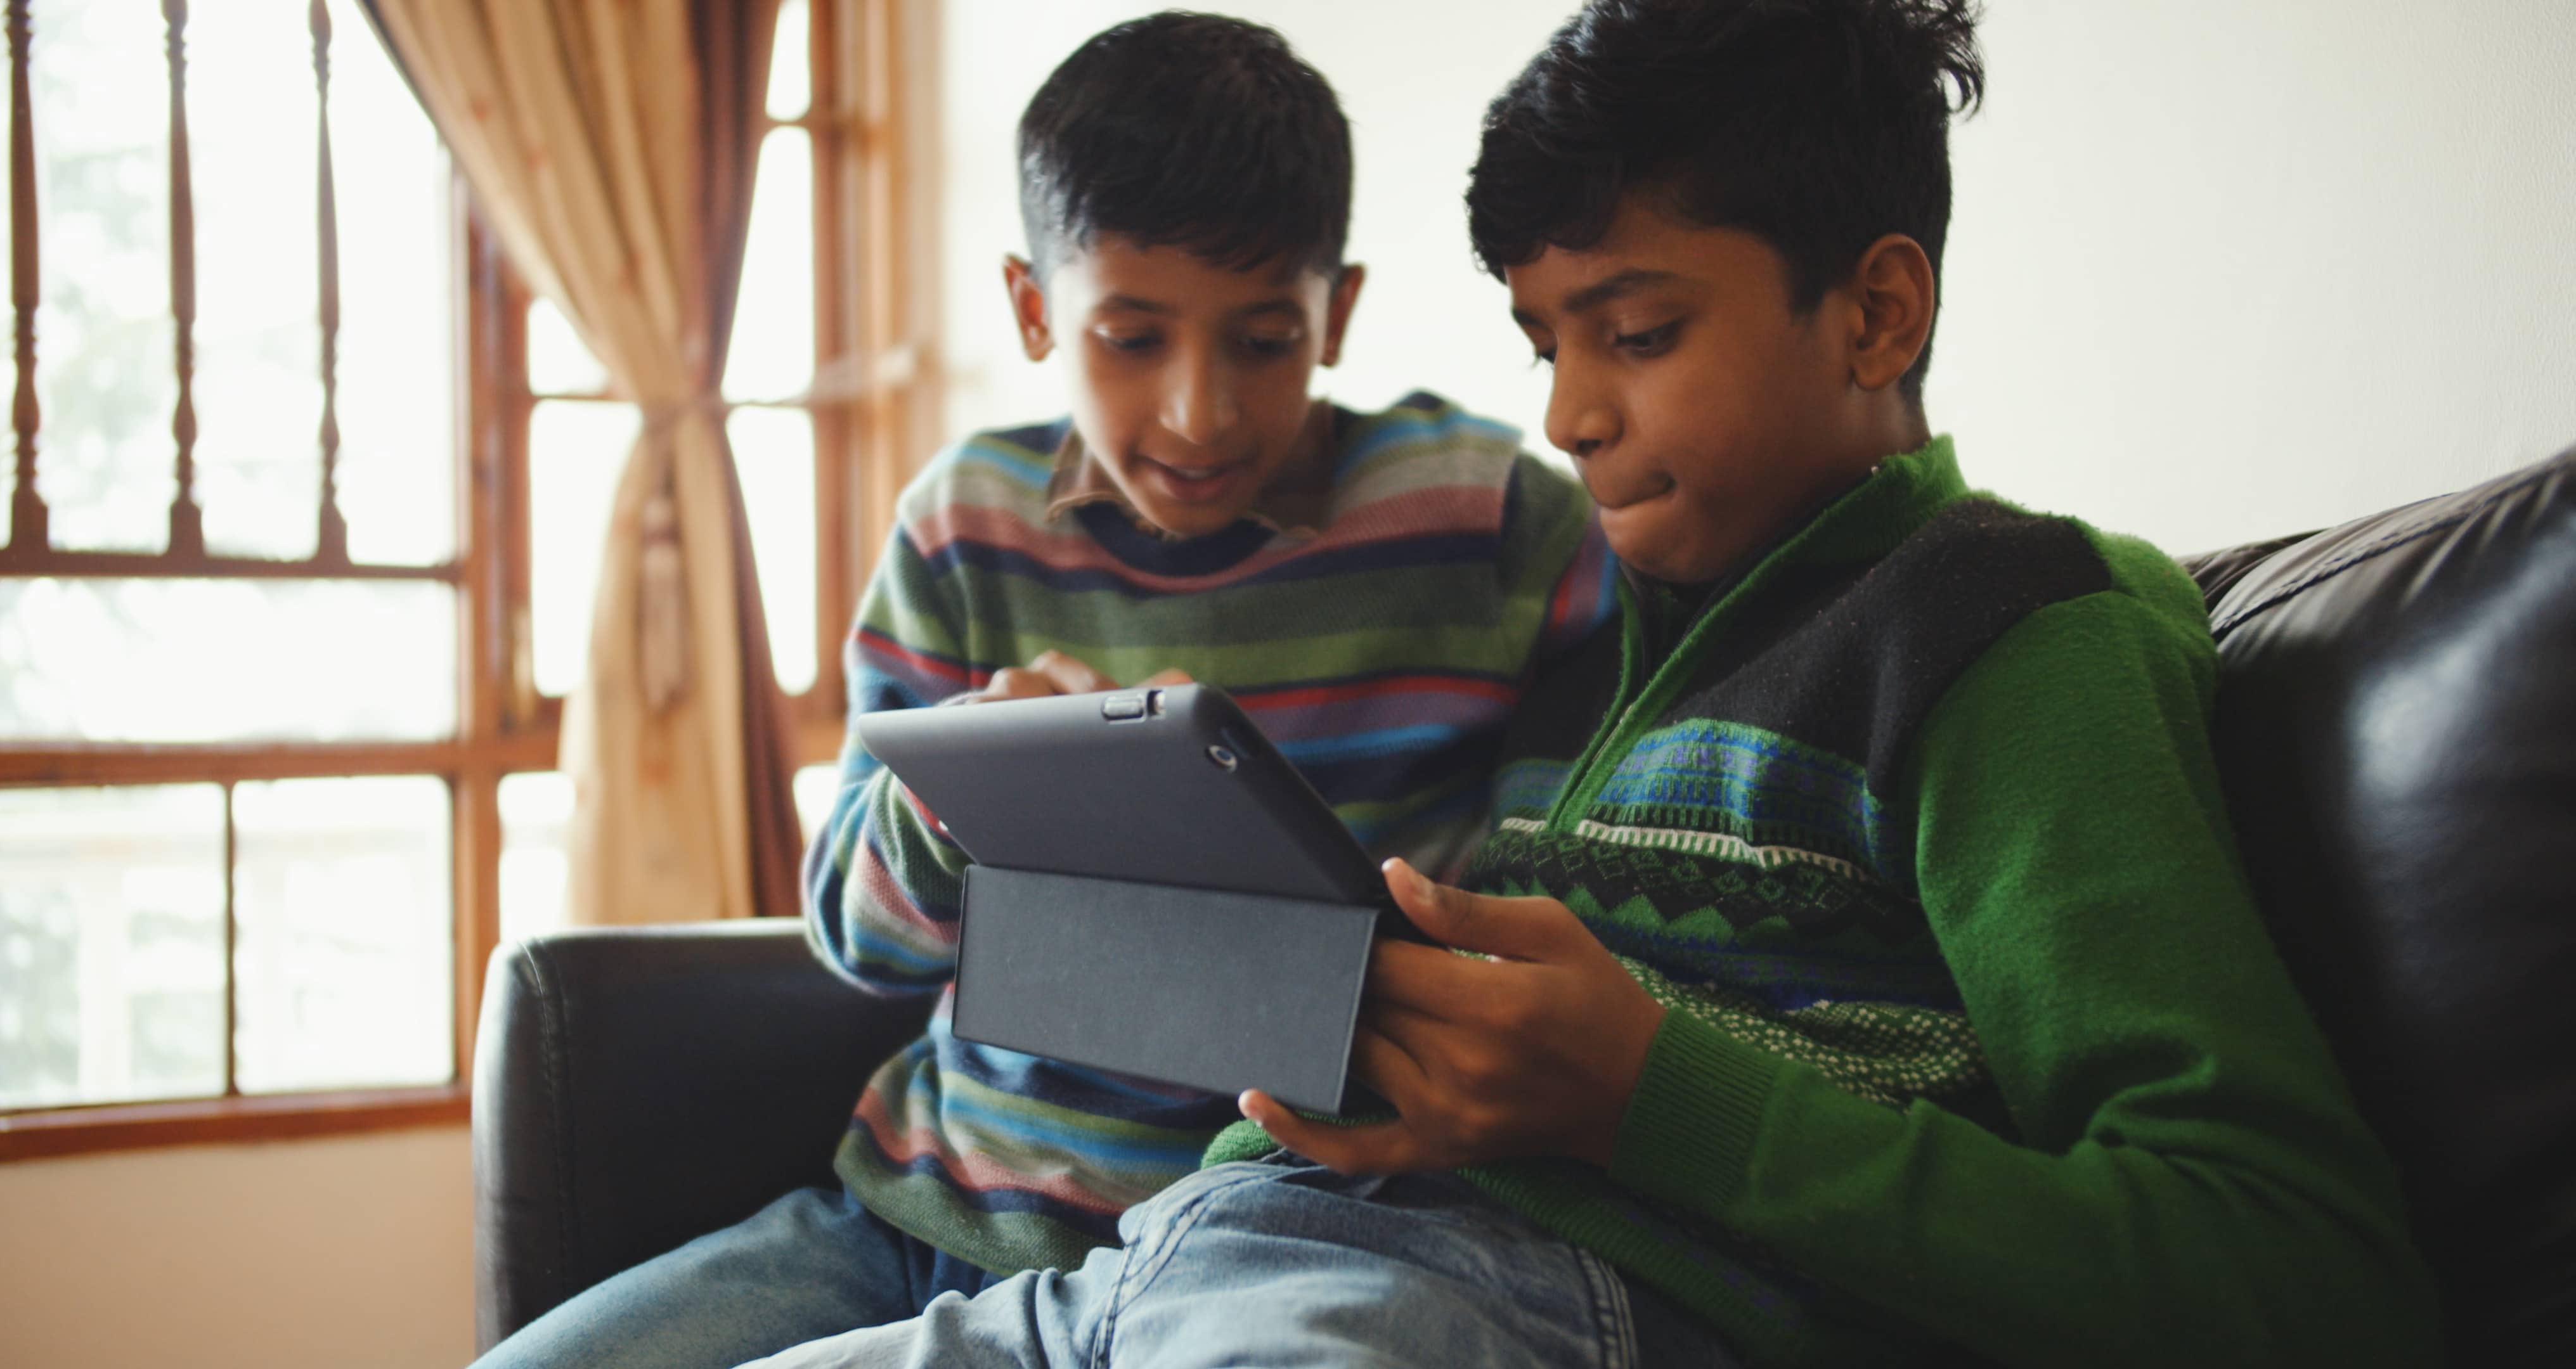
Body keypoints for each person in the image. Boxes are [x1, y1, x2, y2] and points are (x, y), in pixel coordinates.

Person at [732, 1, 2447, 1366]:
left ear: (1875, 314)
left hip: (1452, 1293)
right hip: (1173, 1254)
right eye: (1543, 345)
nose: (1565, 418)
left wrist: (1653, 1097)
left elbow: (2307, 1282)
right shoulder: (1607, 623)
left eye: (1634, 336)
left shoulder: (2006, 630)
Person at [468, 13, 1613, 1369]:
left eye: (1261, 342)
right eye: (1130, 339)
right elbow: (855, 939)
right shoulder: (965, 526)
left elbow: (1574, 897)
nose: (1198, 413)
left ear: (1337, 311)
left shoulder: (1487, 521)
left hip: (1292, 1241)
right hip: (924, 1224)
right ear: (1032, 308)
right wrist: (949, 795)